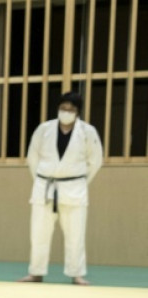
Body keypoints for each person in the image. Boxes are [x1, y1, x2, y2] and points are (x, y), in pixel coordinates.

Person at [19, 92, 103, 286]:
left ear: (78, 112)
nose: (66, 112)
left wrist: (80, 182)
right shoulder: (44, 129)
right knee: (39, 233)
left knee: (76, 234)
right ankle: (36, 272)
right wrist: (41, 179)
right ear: (58, 109)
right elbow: (32, 157)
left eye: (71, 109)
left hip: (74, 187)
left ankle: (77, 274)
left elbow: (96, 161)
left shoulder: (88, 132)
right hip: (45, 186)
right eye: (63, 108)